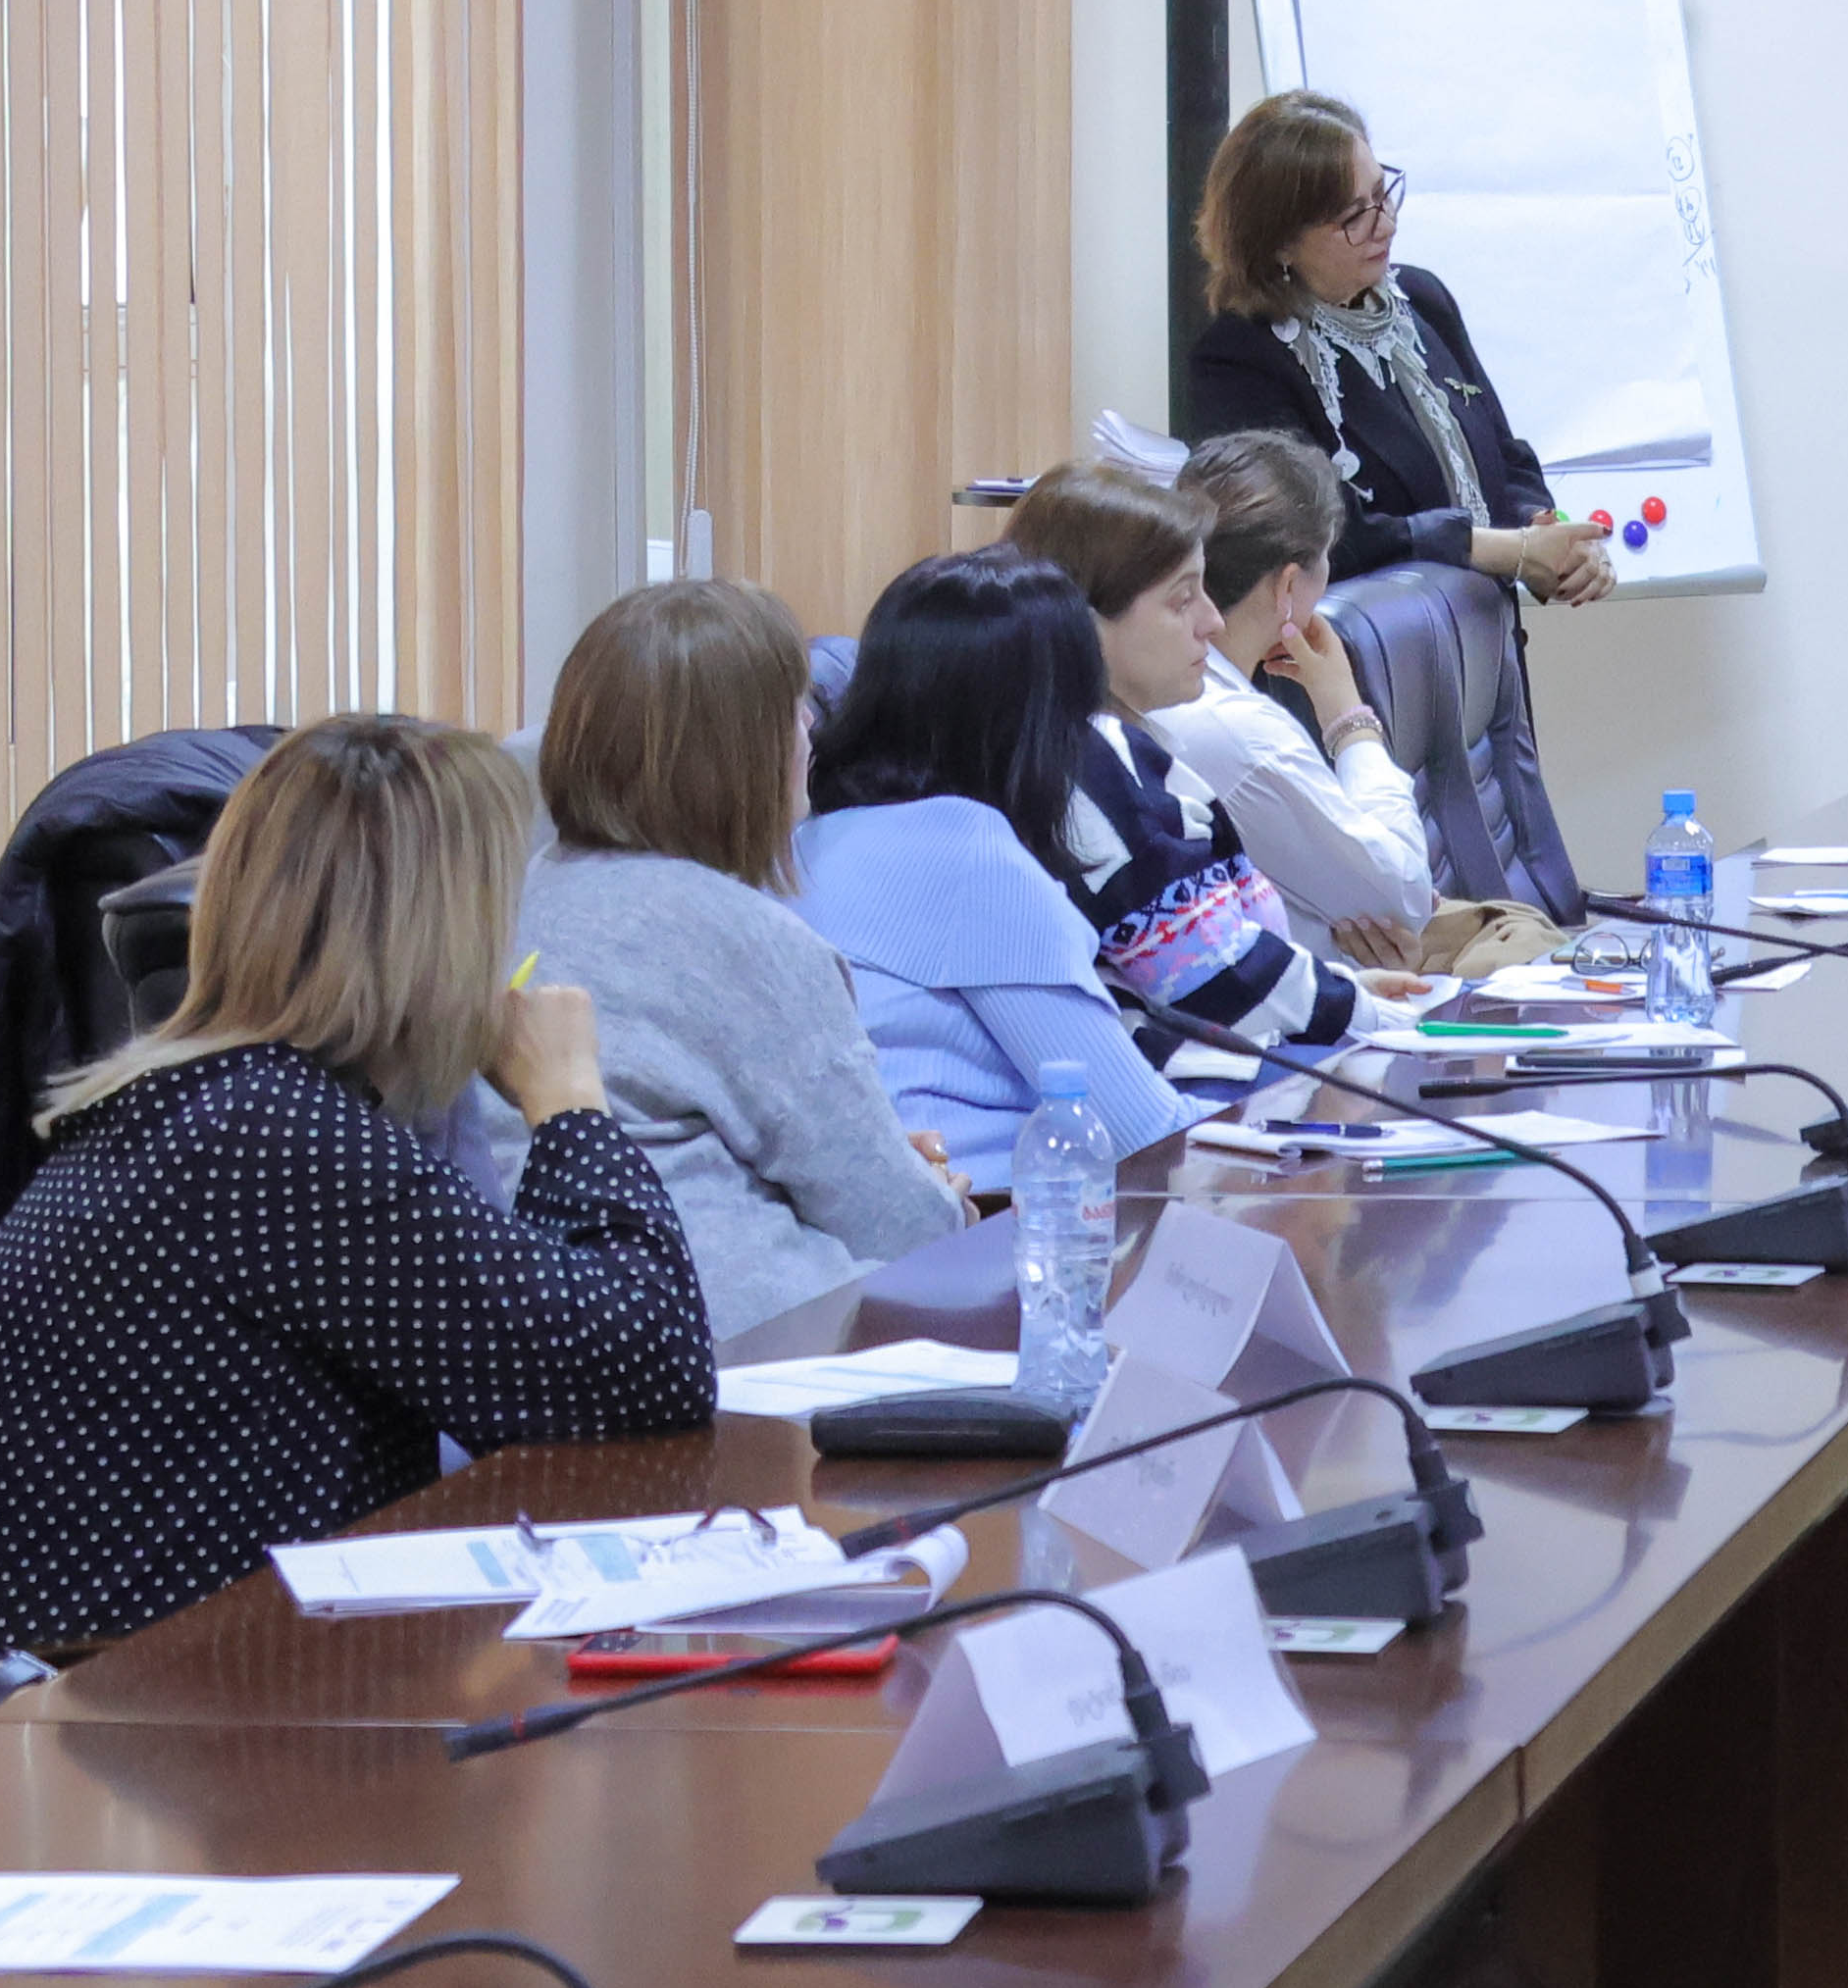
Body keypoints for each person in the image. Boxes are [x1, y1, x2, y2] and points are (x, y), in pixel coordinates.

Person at [0, 715, 711, 1656]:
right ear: (437, 939)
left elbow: (547, 1353)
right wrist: (569, 1099)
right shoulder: (271, 1137)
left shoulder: (202, 1100)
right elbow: (645, 1374)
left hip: (109, 1689)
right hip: (136, 1703)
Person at [514, 578, 968, 1338]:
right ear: (735, 756)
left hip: (571, 1342)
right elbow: (902, 1227)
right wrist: (940, 1197)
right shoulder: (748, 939)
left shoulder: (522, 895)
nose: (810, 730)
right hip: (750, 1351)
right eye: (793, 710)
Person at [800, 549, 1237, 1159]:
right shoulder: (967, 854)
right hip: (988, 1203)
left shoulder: (811, 838)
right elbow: (1144, 1133)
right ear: (1048, 721)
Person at [1175, 91, 1614, 607]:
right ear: (1279, 242)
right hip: (1360, 649)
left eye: (1383, 193)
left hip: (1483, 637)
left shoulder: (1423, 299)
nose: (1385, 223)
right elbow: (1322, 538)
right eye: (1353, 216)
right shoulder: (1239, 360)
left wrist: (1550, 538)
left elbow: (1505, 458)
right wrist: (1508, 551)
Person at [995, 462, 1373, 1057]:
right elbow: (1226, 987)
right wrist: (1369, 1011)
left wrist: (1343, 988)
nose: (1212, 622)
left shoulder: (1107, 748)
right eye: (1182, 601)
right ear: (1081, 621)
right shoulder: (1093, 770)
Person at [1147, 430, 1452, 950]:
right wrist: (1349, 719)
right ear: (1288, 587)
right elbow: (1405, 897)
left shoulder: (1160, 687)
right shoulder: (1237, 730)